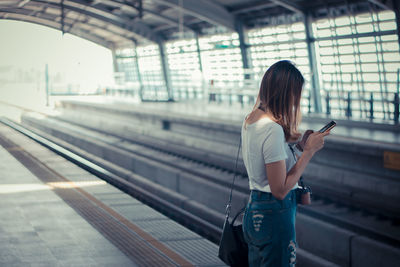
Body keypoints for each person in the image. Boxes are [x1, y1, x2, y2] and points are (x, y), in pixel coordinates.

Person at [241, 60, 330, 267]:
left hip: (254, 211)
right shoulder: (271, 129)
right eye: (294, 95)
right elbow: (279, 189)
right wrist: (309, 152)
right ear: (285, 93)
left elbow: (264, 160)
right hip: (275, 214)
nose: (295, 102)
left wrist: (298, 148)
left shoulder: (251, 119)